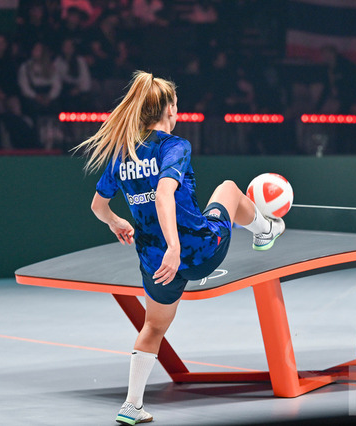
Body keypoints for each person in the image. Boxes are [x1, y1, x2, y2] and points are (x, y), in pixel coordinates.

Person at [74, 71, 284, 425]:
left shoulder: (122, 155)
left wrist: (115, 221)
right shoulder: (174, 146)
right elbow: (164, 194)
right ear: (169, 109)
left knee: (153, 327)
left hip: (155, 262)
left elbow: (98, 206)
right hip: (198, 250)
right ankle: (266, 230)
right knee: (229, 189)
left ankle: (132, 405)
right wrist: (176, 246)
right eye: (175, 104)